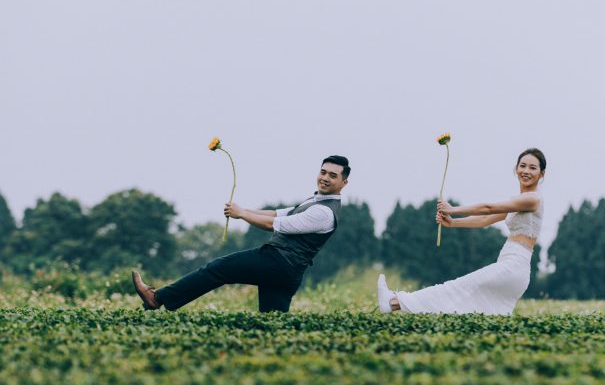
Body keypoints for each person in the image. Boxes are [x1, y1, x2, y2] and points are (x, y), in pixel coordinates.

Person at [132, 155, 350, 313]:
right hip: (287, 272)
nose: (325, 178)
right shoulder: (315, 201)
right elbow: (278, 212)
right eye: (323, 172)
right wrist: (242, 209)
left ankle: (157, 298)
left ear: (343, 182)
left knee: (218, 269)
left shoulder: (324, 212)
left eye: (333, 175)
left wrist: (242, 214)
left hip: (277, 262)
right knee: (272, 321)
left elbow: (279, 224)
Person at [377, 148, 546, 315]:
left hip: (515, 265)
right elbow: (485, 220)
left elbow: (488, 208)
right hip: (509, 263)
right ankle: (394, 303)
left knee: (456, 288)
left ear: (541, 174)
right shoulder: (517, 201)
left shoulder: (533, 199)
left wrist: (453, 209)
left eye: (533, 168)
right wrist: (453, 223)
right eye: (522, 166)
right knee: (478, 305)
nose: (526, 171)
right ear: (515, 169)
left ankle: (394, 302)